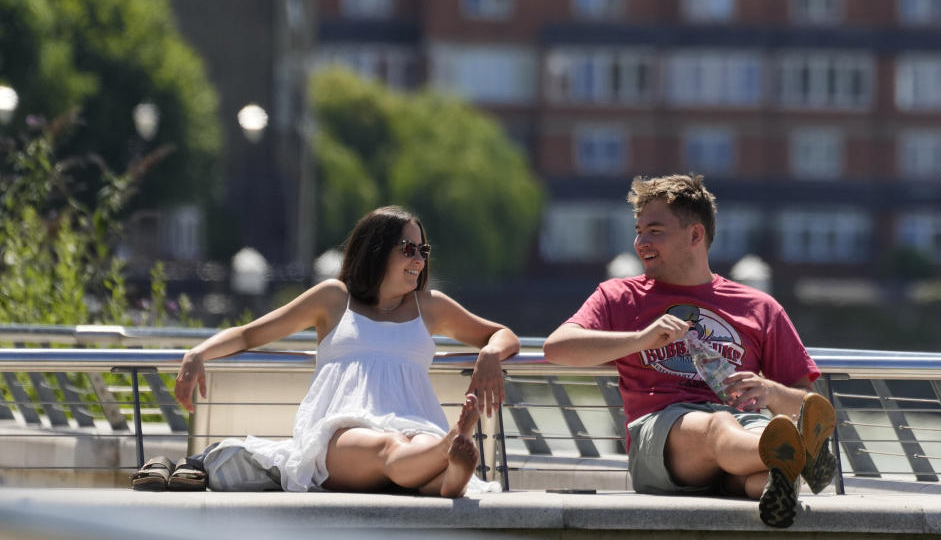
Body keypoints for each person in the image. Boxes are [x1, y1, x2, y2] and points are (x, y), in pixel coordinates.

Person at [543, 174, 836, 528]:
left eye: (654, 231)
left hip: (741, 431)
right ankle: (800, 456)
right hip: (660, 434)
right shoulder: (619, 296)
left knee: (761, 472)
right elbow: (557, 348)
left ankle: (782, 475)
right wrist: (640, 339)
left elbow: (806, 402)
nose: (640, 242)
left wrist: (771, 390)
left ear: (695, 235)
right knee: (720, 425)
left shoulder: (760, 307)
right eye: (639, 231)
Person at [168, 205, 520, 497]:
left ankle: (451, 475)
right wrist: (197, 353)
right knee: (388, 447)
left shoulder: (430, 307)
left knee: (411, 446)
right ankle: (452, 449)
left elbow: (503, 335)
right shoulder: (335, 299)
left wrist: (489, 354)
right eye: (408, 249)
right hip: (343, 429)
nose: (419, 260)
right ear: (377, 251)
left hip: (417, 424)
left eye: (423, 251)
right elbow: (248, 335)